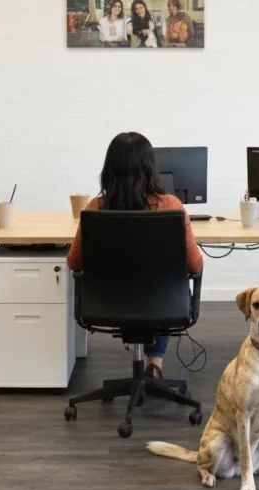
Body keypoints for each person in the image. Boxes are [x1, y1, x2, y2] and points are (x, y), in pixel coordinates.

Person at [66, 132, 204, 379]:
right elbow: (195, 265)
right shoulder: (171, 206)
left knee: (142, 287)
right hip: (164, 303)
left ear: (109, 169)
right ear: (151, 167)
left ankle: (150, 358)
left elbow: (73, 263)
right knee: (162, 282)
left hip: (107, 302)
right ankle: (155, 361)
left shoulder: (96, 208)